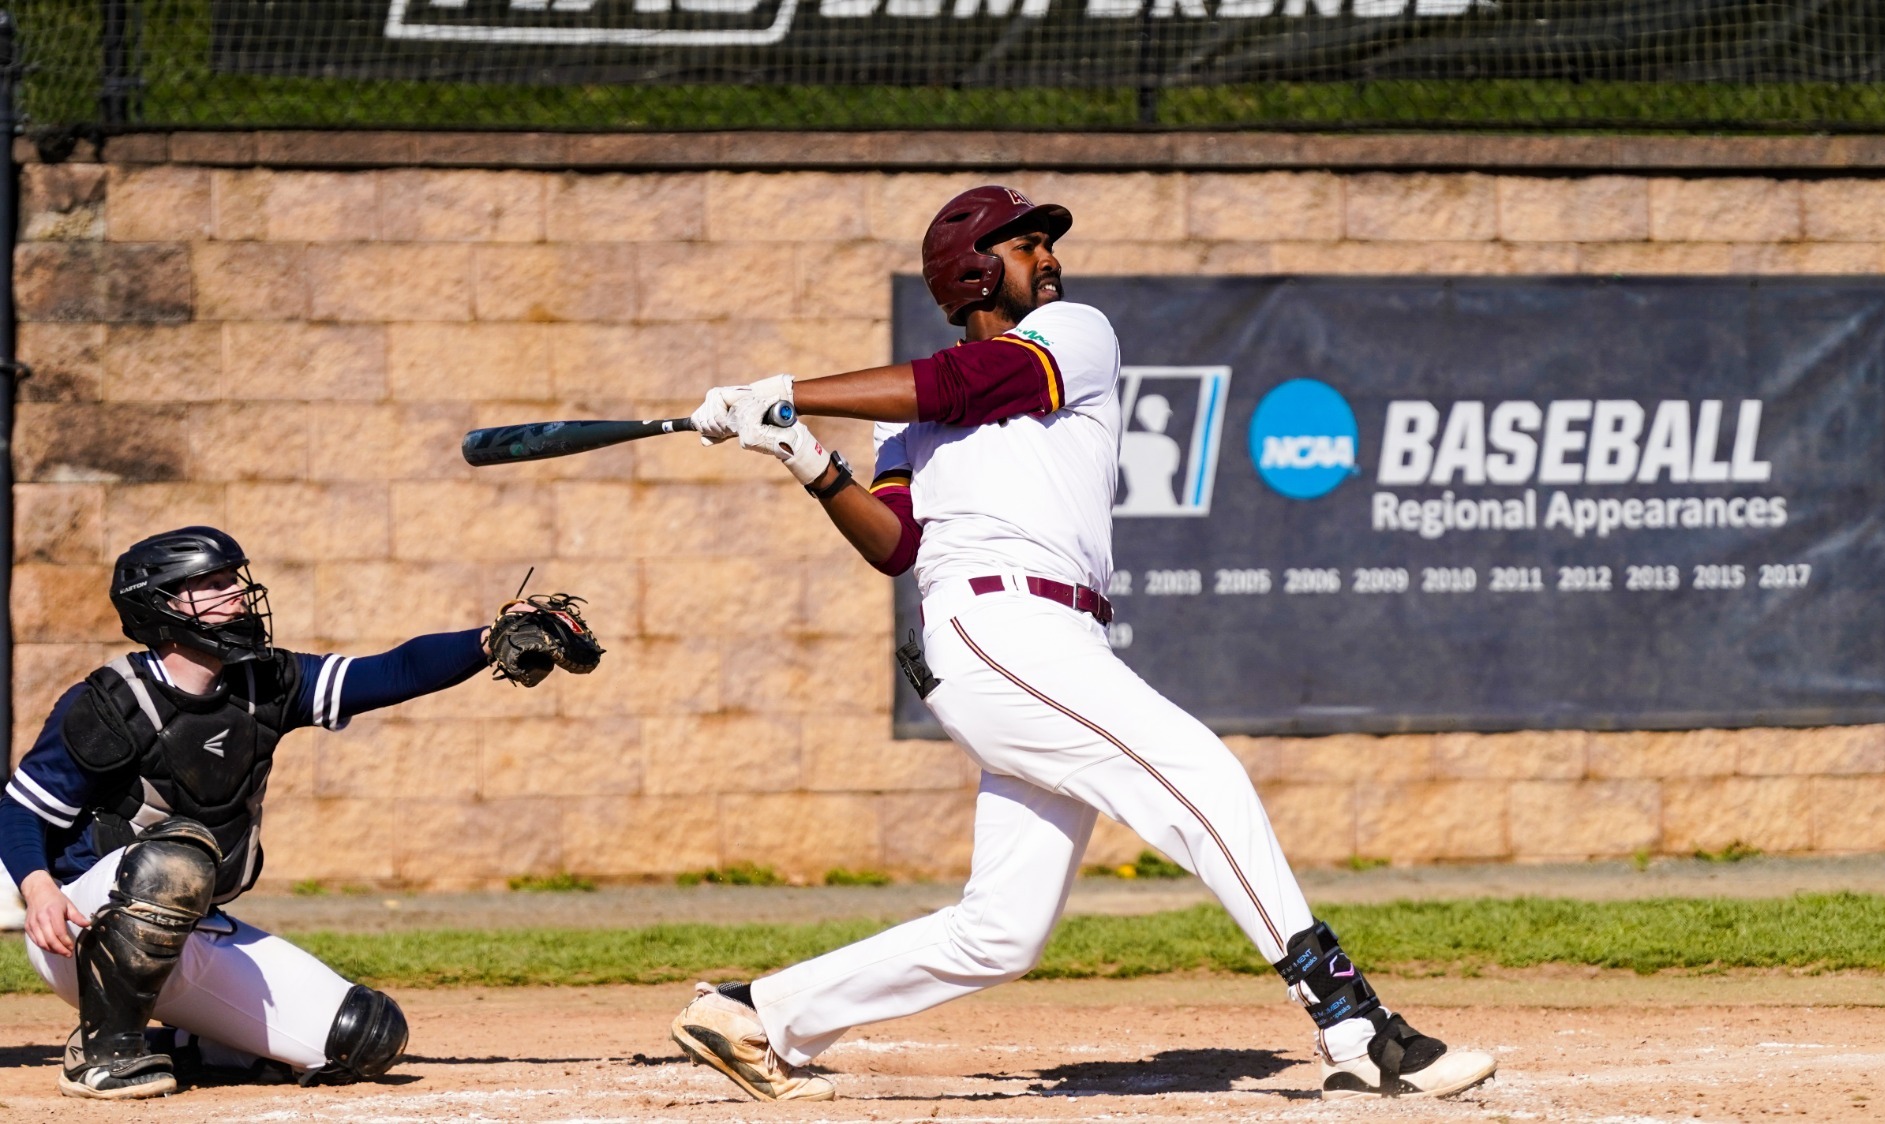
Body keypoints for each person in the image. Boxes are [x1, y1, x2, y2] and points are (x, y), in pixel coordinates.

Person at [664, 186, 1499, 1102]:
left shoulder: (1074, 335)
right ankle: (1354, 1025)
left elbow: (967, 386)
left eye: (1044, 244)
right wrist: (810, 464)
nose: (1049, 258)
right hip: (992, 630)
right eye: (1025, 246)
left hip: (1051, 641)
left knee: (1002, 932)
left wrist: (783, 394)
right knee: (1202, 773)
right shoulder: (901, 422)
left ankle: (756, 1013)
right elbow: (895, 545)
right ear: (975, 269)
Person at [0, 526, 598, 1099]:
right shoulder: (109, 702)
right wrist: (39, 888)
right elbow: (20, 809)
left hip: (187, 931)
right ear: (161, 607)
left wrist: (486, 641)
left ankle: (184, 1044)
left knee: (363, 1038)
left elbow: (391, 671)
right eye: (212, 585)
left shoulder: (268, 682)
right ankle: (105, 1053)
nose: (236, 594)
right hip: (84, 932)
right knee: (172, 859)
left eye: (235, 579)